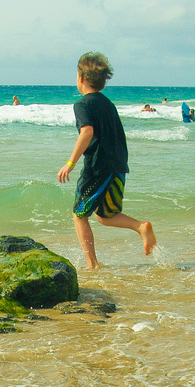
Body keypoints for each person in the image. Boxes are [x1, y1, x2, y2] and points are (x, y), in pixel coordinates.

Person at [56, 51, 156, 270]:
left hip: (98, 168)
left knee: (79, 214)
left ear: (80, 78)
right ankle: (141, 227)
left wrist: (70, 163)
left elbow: (87, 132)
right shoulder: (108, 103)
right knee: (104, 215)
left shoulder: (82, 104)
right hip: (118, 166)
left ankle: (92, 265)